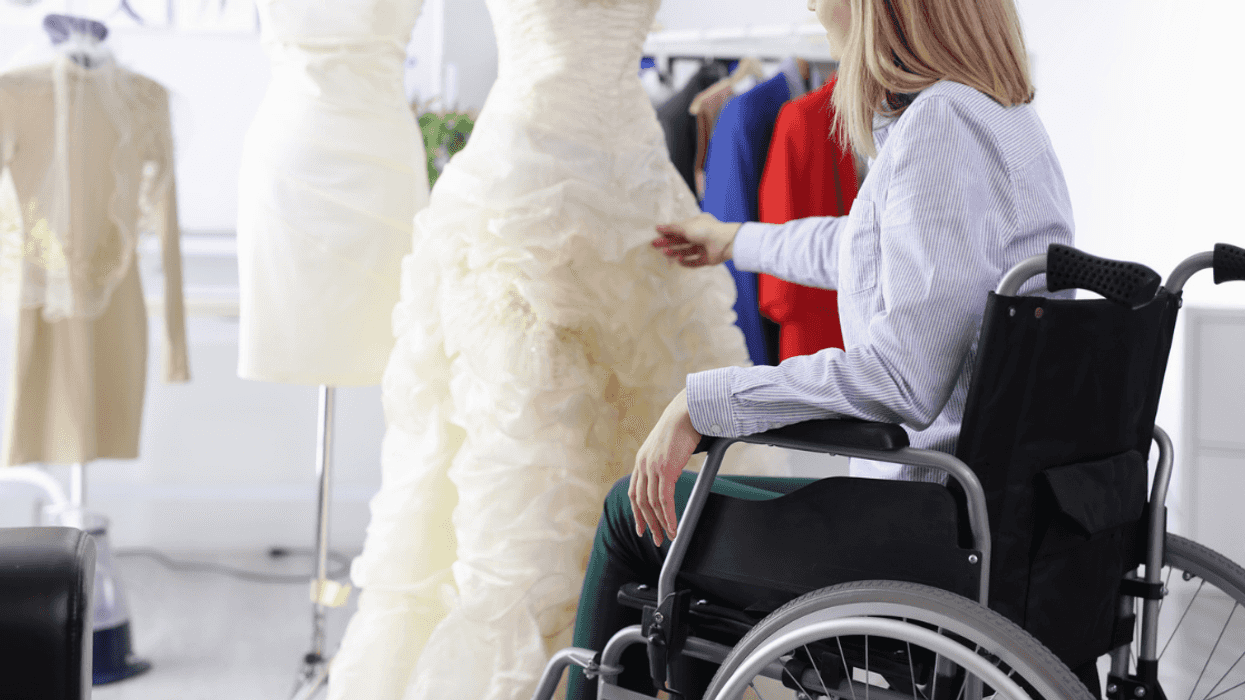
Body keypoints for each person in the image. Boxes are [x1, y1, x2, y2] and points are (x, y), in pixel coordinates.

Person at [567, 0, 1078, 697]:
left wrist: (704, 402)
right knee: (686, 534)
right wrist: (735, 239)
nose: (809, 3)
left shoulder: (940, 125)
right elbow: (868, 250)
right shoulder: (1000, 120)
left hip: (932, 533)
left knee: (634, 514)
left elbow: (900, 379)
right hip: (1006, 515)